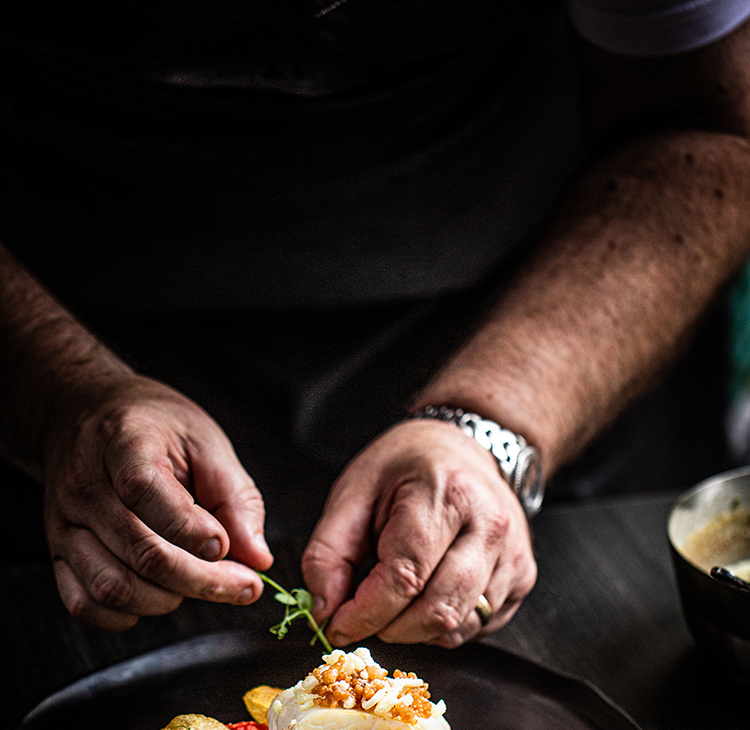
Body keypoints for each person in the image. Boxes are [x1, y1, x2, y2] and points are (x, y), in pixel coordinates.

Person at [1, 1, 750, 647]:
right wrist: (56, 395)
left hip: (550, 306)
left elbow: (705, 121)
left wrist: (494, 425)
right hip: (45, 332)